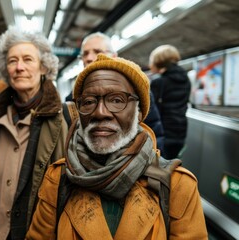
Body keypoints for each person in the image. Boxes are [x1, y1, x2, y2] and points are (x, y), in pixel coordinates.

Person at [26, 54, 207, 239]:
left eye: (117, 100)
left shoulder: (176, 185)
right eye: (88, 102)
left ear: (138, 113)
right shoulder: (58, 179)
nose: (100, 112)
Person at [0, 26, 69, 240]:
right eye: (12, 61)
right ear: (5, 69)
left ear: (43, 67)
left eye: (28, 59)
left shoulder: (64, 120)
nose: (19, 67)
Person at [65, 32, 164, 153]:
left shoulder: (138, 91)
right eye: (85, 54)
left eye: (97, 51)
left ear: (114, 56)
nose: (89, 58)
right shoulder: (71, 100)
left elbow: (154, 131)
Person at [149, 45, 191, 159]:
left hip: (163, 133)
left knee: (159, 166)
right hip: (180, 131)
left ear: (159, 62)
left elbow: (151, 109)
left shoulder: (159, 82)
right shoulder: (186, 80)